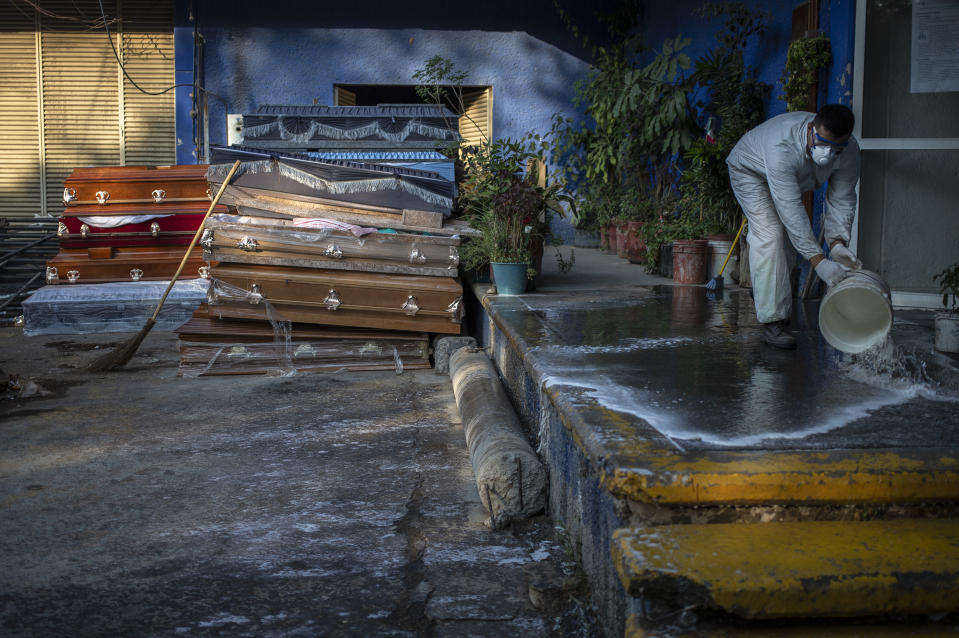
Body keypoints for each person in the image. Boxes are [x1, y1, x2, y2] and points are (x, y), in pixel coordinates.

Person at [726, 103, 863, 349]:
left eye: (836, 148)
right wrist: (819, 262)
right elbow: (791, 210)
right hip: (749, 171)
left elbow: (842, 198)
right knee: (772, 234)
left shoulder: (849, 151)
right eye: (823, 143)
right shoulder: (782, 147)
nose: (828, 153)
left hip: (788, 178)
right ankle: (773, 324)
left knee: (788, 242)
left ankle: (766, 290)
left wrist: (837, 243)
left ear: (846, 141)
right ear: (811, 128)